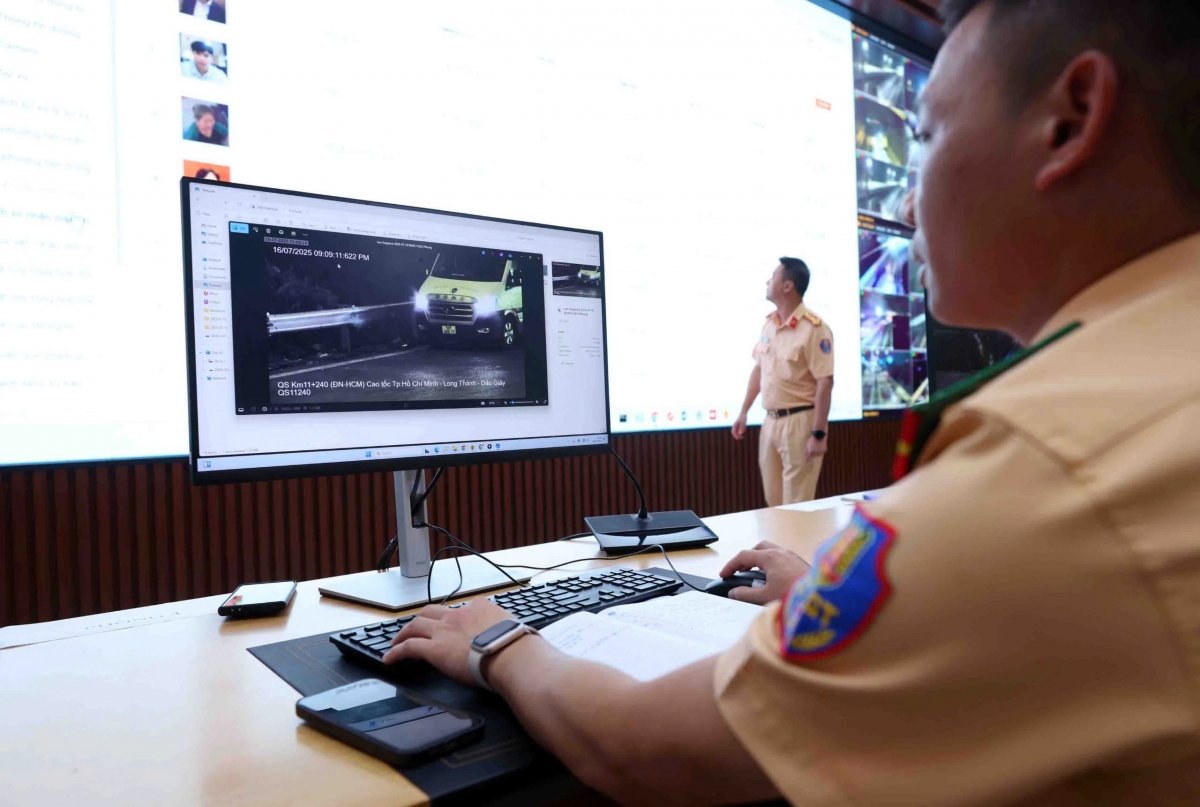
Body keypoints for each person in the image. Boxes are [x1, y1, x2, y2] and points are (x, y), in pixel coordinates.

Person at [381, 0, 1200, 804]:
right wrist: (845, 603)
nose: (906, 205)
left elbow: (651, 749)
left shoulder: (1047, 460)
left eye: (926, 136)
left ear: (1070, 119)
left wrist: (499, 641)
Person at [732, 257, 834, 506]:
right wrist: (743, 411)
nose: (768, 281)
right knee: (774, 507)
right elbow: (759, 369)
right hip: (770, 422)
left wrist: (818, 433)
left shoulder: (814, 328)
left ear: (788, 286)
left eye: (773, 276)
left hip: (800, 423)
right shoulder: (769, 324)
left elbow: (825, 382)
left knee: (796, 507)